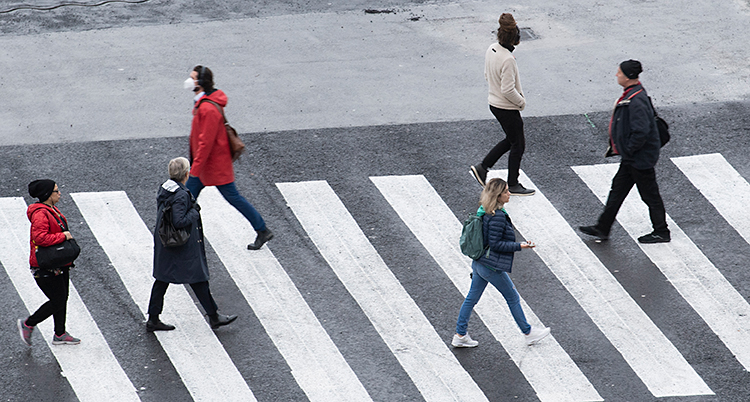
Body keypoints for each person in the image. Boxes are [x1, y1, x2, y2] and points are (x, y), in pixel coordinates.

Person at [183, 65, 274, 250]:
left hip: (211, 165)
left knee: (188, 199)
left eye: (192, 77)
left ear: (200, 83)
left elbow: (205, 143)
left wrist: (195, 169)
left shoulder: (207, 108)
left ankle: (262, 230)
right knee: (187, 199)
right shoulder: (205, 100)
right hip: (210, 164)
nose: (189, 80)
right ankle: (262, 230)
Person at [579, 60, 670, 243]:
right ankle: (602, 227)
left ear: (628, 77)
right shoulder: (634, 94)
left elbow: (641, 131)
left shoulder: (636, 100)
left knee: (650, 195)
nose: (616, 75)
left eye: (619, 72)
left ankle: (662, 231)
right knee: (617, 191)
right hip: (632, 158)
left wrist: (628, 150)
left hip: (639, 159)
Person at [452, 178, 550, 348]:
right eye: (505, 191)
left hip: (479, 263)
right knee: (512, 297)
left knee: (471, 299)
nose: (509, 193)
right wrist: (520, 245)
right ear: (498, 196)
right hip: (490, 265)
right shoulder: (496, 217)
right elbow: (496, 244)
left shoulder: (484, 211)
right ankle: (528, 332)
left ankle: (460, 335)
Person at [146, 157, 237, 331]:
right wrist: (194, 211)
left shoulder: (166, 187)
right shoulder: (181, 194)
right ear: (186, 174)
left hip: (166, 242)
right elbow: (179, 221)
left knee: (163, 279)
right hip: (180, 245)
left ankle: (153, 318)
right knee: (197, 278)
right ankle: (214, 316)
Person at [470, 13, 535, 196]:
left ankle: (483, 168)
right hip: (506, 107)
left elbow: (486, 75)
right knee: (518, 144)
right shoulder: (508, 59)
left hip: (494, 102)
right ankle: (512, 184)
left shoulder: (492, 49)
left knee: (511, 140)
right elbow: (508, 90)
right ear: (515, 37)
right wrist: (521, 102)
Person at [17, 180, 80, 346]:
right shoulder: (40, 214)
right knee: (58, 299)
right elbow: (40, 238)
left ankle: (60, 333)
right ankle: (28, 323)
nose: (59, 193)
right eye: (56, 191)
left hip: (58, 263)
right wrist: (64, 236)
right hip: (45, 265)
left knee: (62, 297)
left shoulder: (50, 209)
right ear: (47, 195)